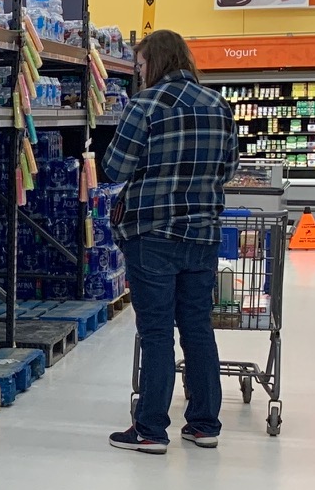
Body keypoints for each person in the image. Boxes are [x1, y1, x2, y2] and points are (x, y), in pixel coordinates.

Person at [102, 30, 239, 454]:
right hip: (202, 234)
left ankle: (150, 430)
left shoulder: (145, 105)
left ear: (155, 63)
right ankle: (204, 424)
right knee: (198, 328)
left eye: (141, 65)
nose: (138, 73)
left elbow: (115, 168)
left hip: (152, 233)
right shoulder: (218, 104)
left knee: (156, 331)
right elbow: (230, 168)